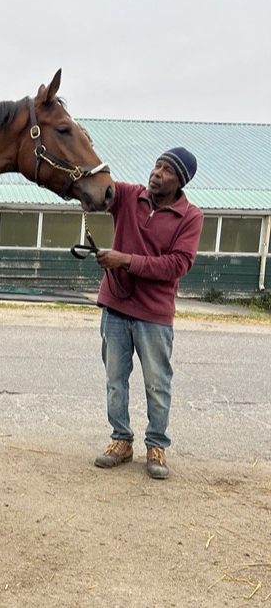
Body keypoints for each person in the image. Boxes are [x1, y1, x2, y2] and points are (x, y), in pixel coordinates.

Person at [93, 148, 204, 479]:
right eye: (157, 165)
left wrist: (125, 260)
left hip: (154, 315)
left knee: (157, 384)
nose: (157, 172)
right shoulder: (128, 197)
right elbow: (99, 186)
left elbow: (177, 264)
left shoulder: (190, 217)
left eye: (167, 170)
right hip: (115, 306)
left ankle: (156, 445)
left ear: (180, 181)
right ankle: (121, 440)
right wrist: (86, 142)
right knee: (115, 380)